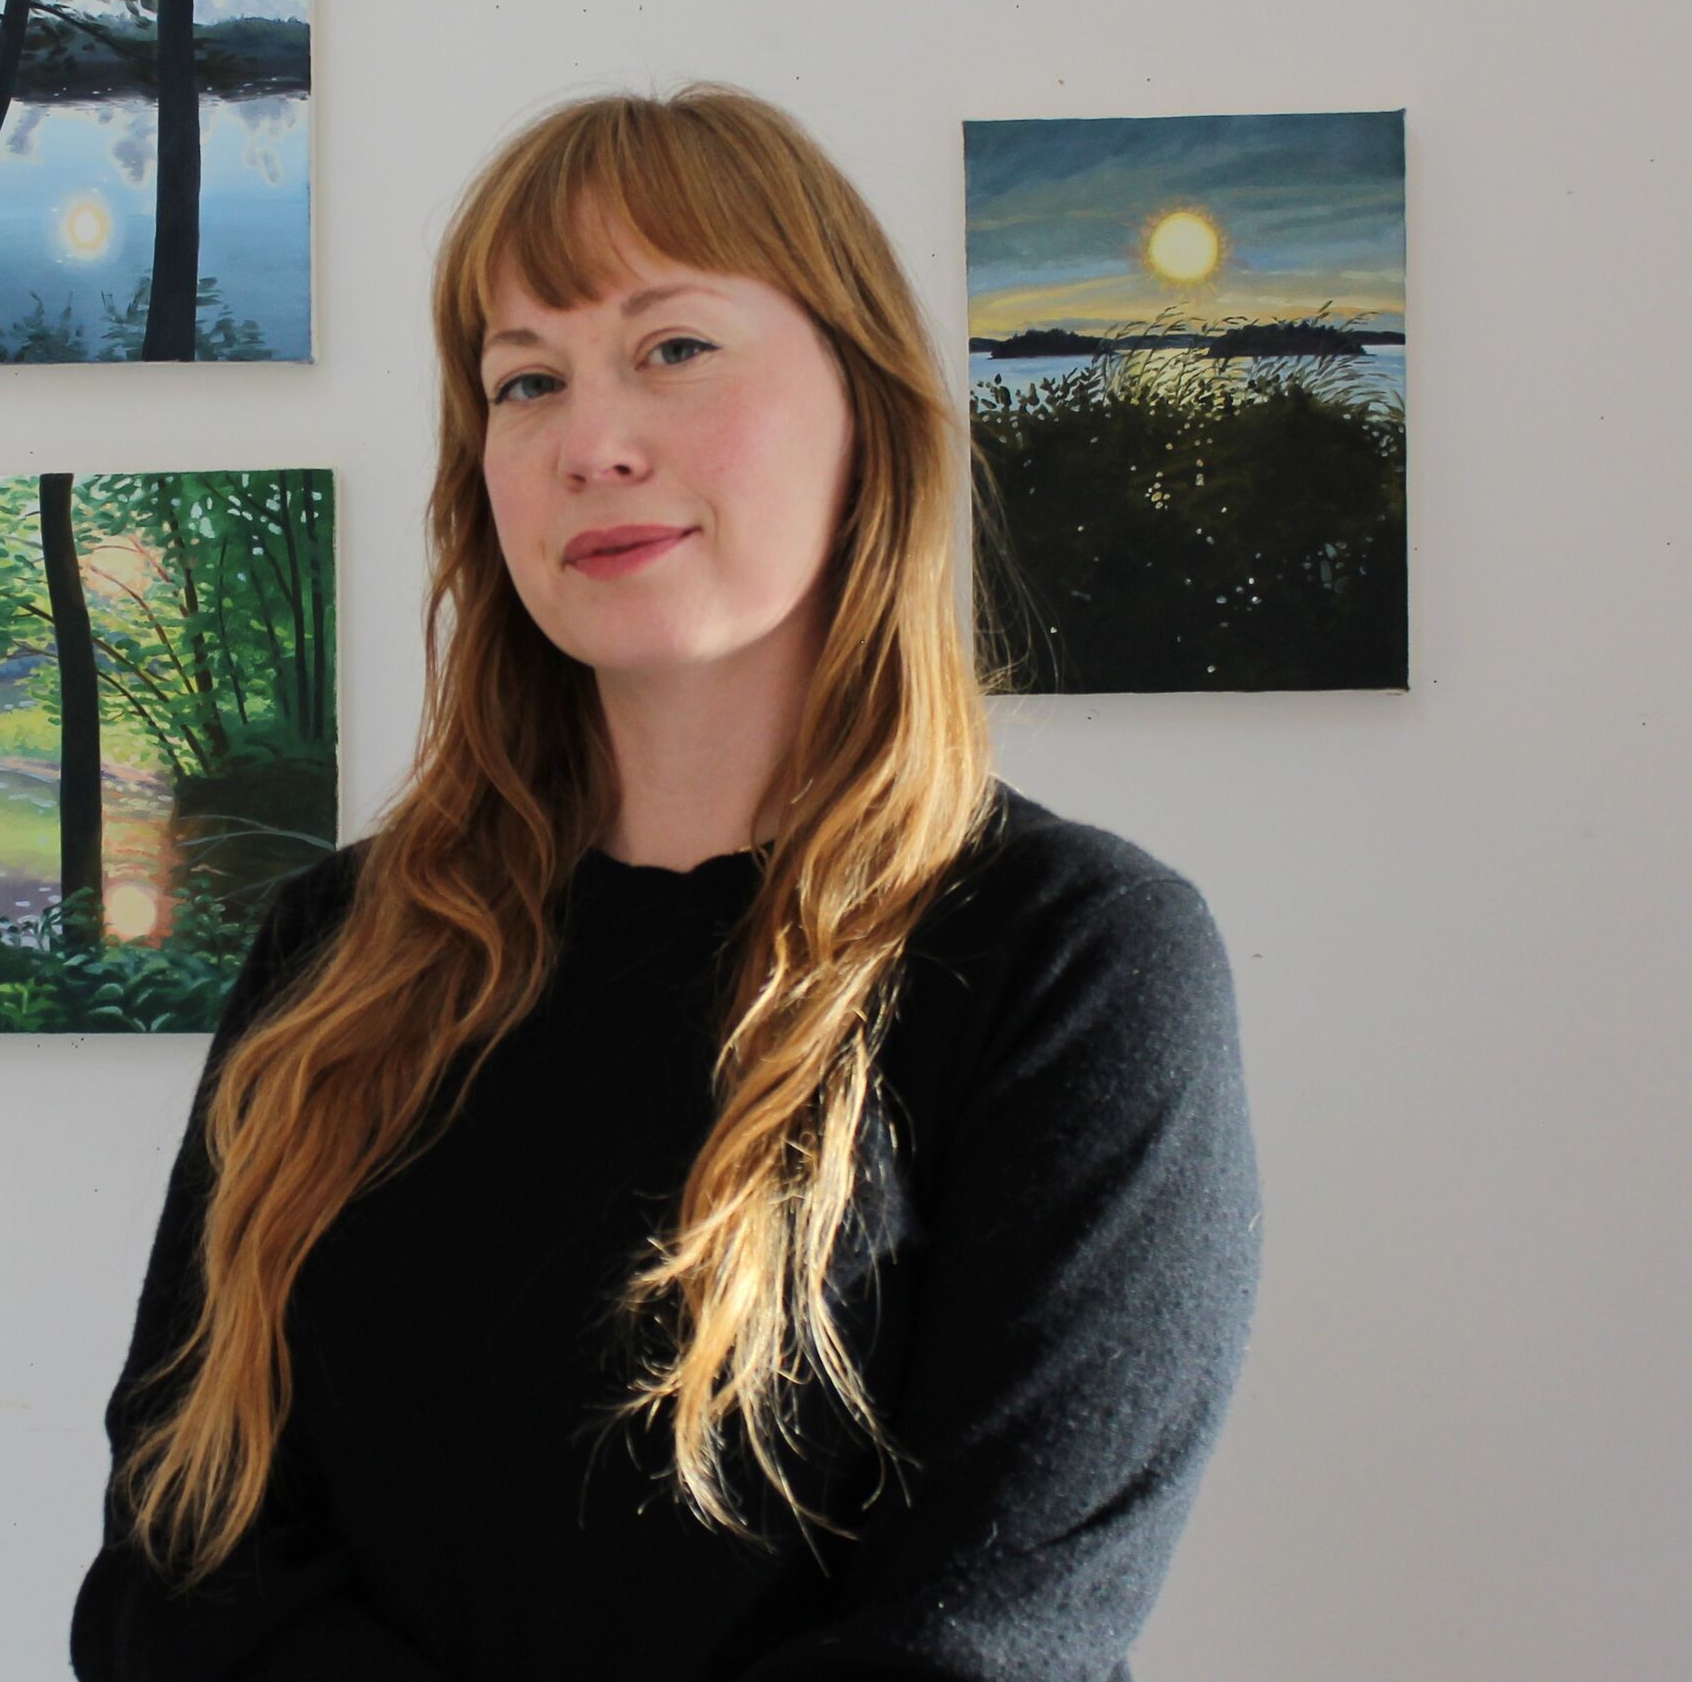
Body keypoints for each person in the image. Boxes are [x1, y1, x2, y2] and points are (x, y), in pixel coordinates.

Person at [68, 83, 1263, 1680]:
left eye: (674, 347)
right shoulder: (336, 951)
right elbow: (175, 1575)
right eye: (526, 380)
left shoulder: (1075, 961)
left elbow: (983, 1642)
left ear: (867, 405)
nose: (592, 443)